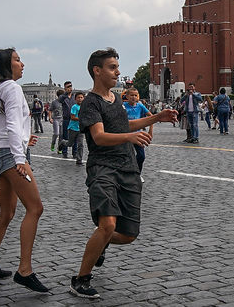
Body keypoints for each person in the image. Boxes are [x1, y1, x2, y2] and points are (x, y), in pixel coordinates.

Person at [70, 48, 177, 299]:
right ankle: (81, 279)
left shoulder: (115, 99)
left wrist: (157, 118)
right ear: (97, 71)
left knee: (129, 235)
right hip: (103, 169)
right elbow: (99, 136)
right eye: (112, 67)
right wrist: (129, 137)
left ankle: (102, 243)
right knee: (107, 224)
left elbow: (124, 126)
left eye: (117, 67)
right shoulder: (91, 103)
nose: (118, 72)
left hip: (127, 168)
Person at [0, 48, 49, 292]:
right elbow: (10, 123)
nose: (22, 64)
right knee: (35, 208)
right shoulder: (12, 87)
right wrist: (19, 156)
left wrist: (22, 139)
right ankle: (24, 270)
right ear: (7, 66)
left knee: (6, 214)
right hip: (10, 156)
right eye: (17, 60)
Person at [123, 87, 150, 181]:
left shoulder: (140, 106)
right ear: (127, 96)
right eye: (131, 95)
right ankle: (126, 174)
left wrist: (150, 130)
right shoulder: (123, 106)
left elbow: (151, 116)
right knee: (126, 156)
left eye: (135, 95)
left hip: (138, 135)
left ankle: (138, 173)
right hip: (126, 136)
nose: (133, 97)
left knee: (141, 156)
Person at [66, 92, 86, 165]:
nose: (80, 99)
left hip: (80, 129)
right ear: (75, 99)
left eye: (81, 97)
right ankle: (63, 143)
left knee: (80, 144)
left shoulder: (84, 107)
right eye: (78, 97)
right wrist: (81, 119)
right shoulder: (74, 107)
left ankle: (79, 160)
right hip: (73, 128)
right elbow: (72, 117)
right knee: (70, 144)